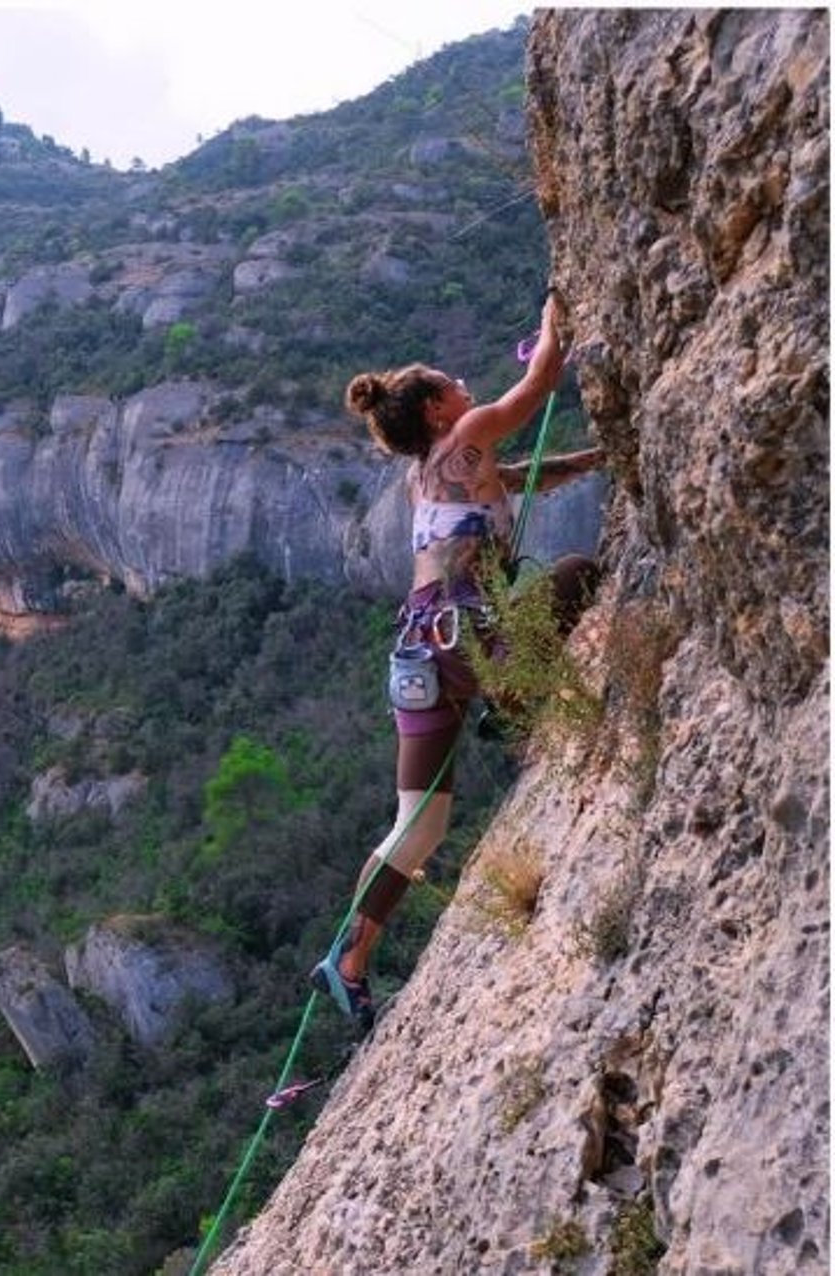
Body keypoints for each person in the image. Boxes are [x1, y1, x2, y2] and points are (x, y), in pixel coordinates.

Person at [313, 292, 607, 1031]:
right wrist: (556, 309)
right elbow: (537, 385)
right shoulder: (472, 431)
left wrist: (601, 457)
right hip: (469, 632)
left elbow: (521, 477)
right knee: (579, 573)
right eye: (453, 384)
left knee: (418, 825)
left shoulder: (428, 474)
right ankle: (514, 698)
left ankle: (347, 962)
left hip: (418, 649)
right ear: (440, 411)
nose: (467, 388)